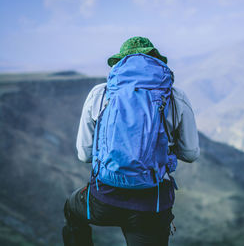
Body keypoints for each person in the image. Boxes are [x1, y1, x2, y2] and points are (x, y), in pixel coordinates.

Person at [63, 37, 200, 246]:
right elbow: (190, 154)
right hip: (151, 205)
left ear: (119, 64)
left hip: (104, 199)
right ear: (156, 62)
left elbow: (84, 155)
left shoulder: (99, 94)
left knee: (71, 208)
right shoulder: (175, 97)